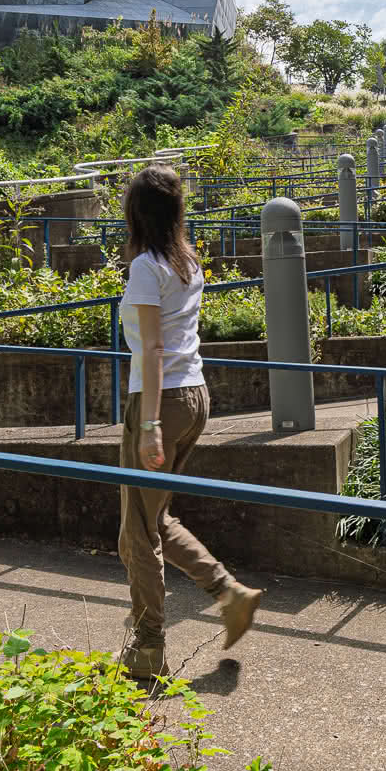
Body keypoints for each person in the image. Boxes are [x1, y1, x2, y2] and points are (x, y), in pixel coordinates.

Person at [115, 164, 263, 680]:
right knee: (152, 519)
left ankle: (148, 646)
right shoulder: (186, 261)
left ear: (136, 213)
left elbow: (153, 348)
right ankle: (229, 593)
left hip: (162, 402)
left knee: (137, 533)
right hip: (195, 395)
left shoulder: (146, 267)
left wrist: (150, 424)